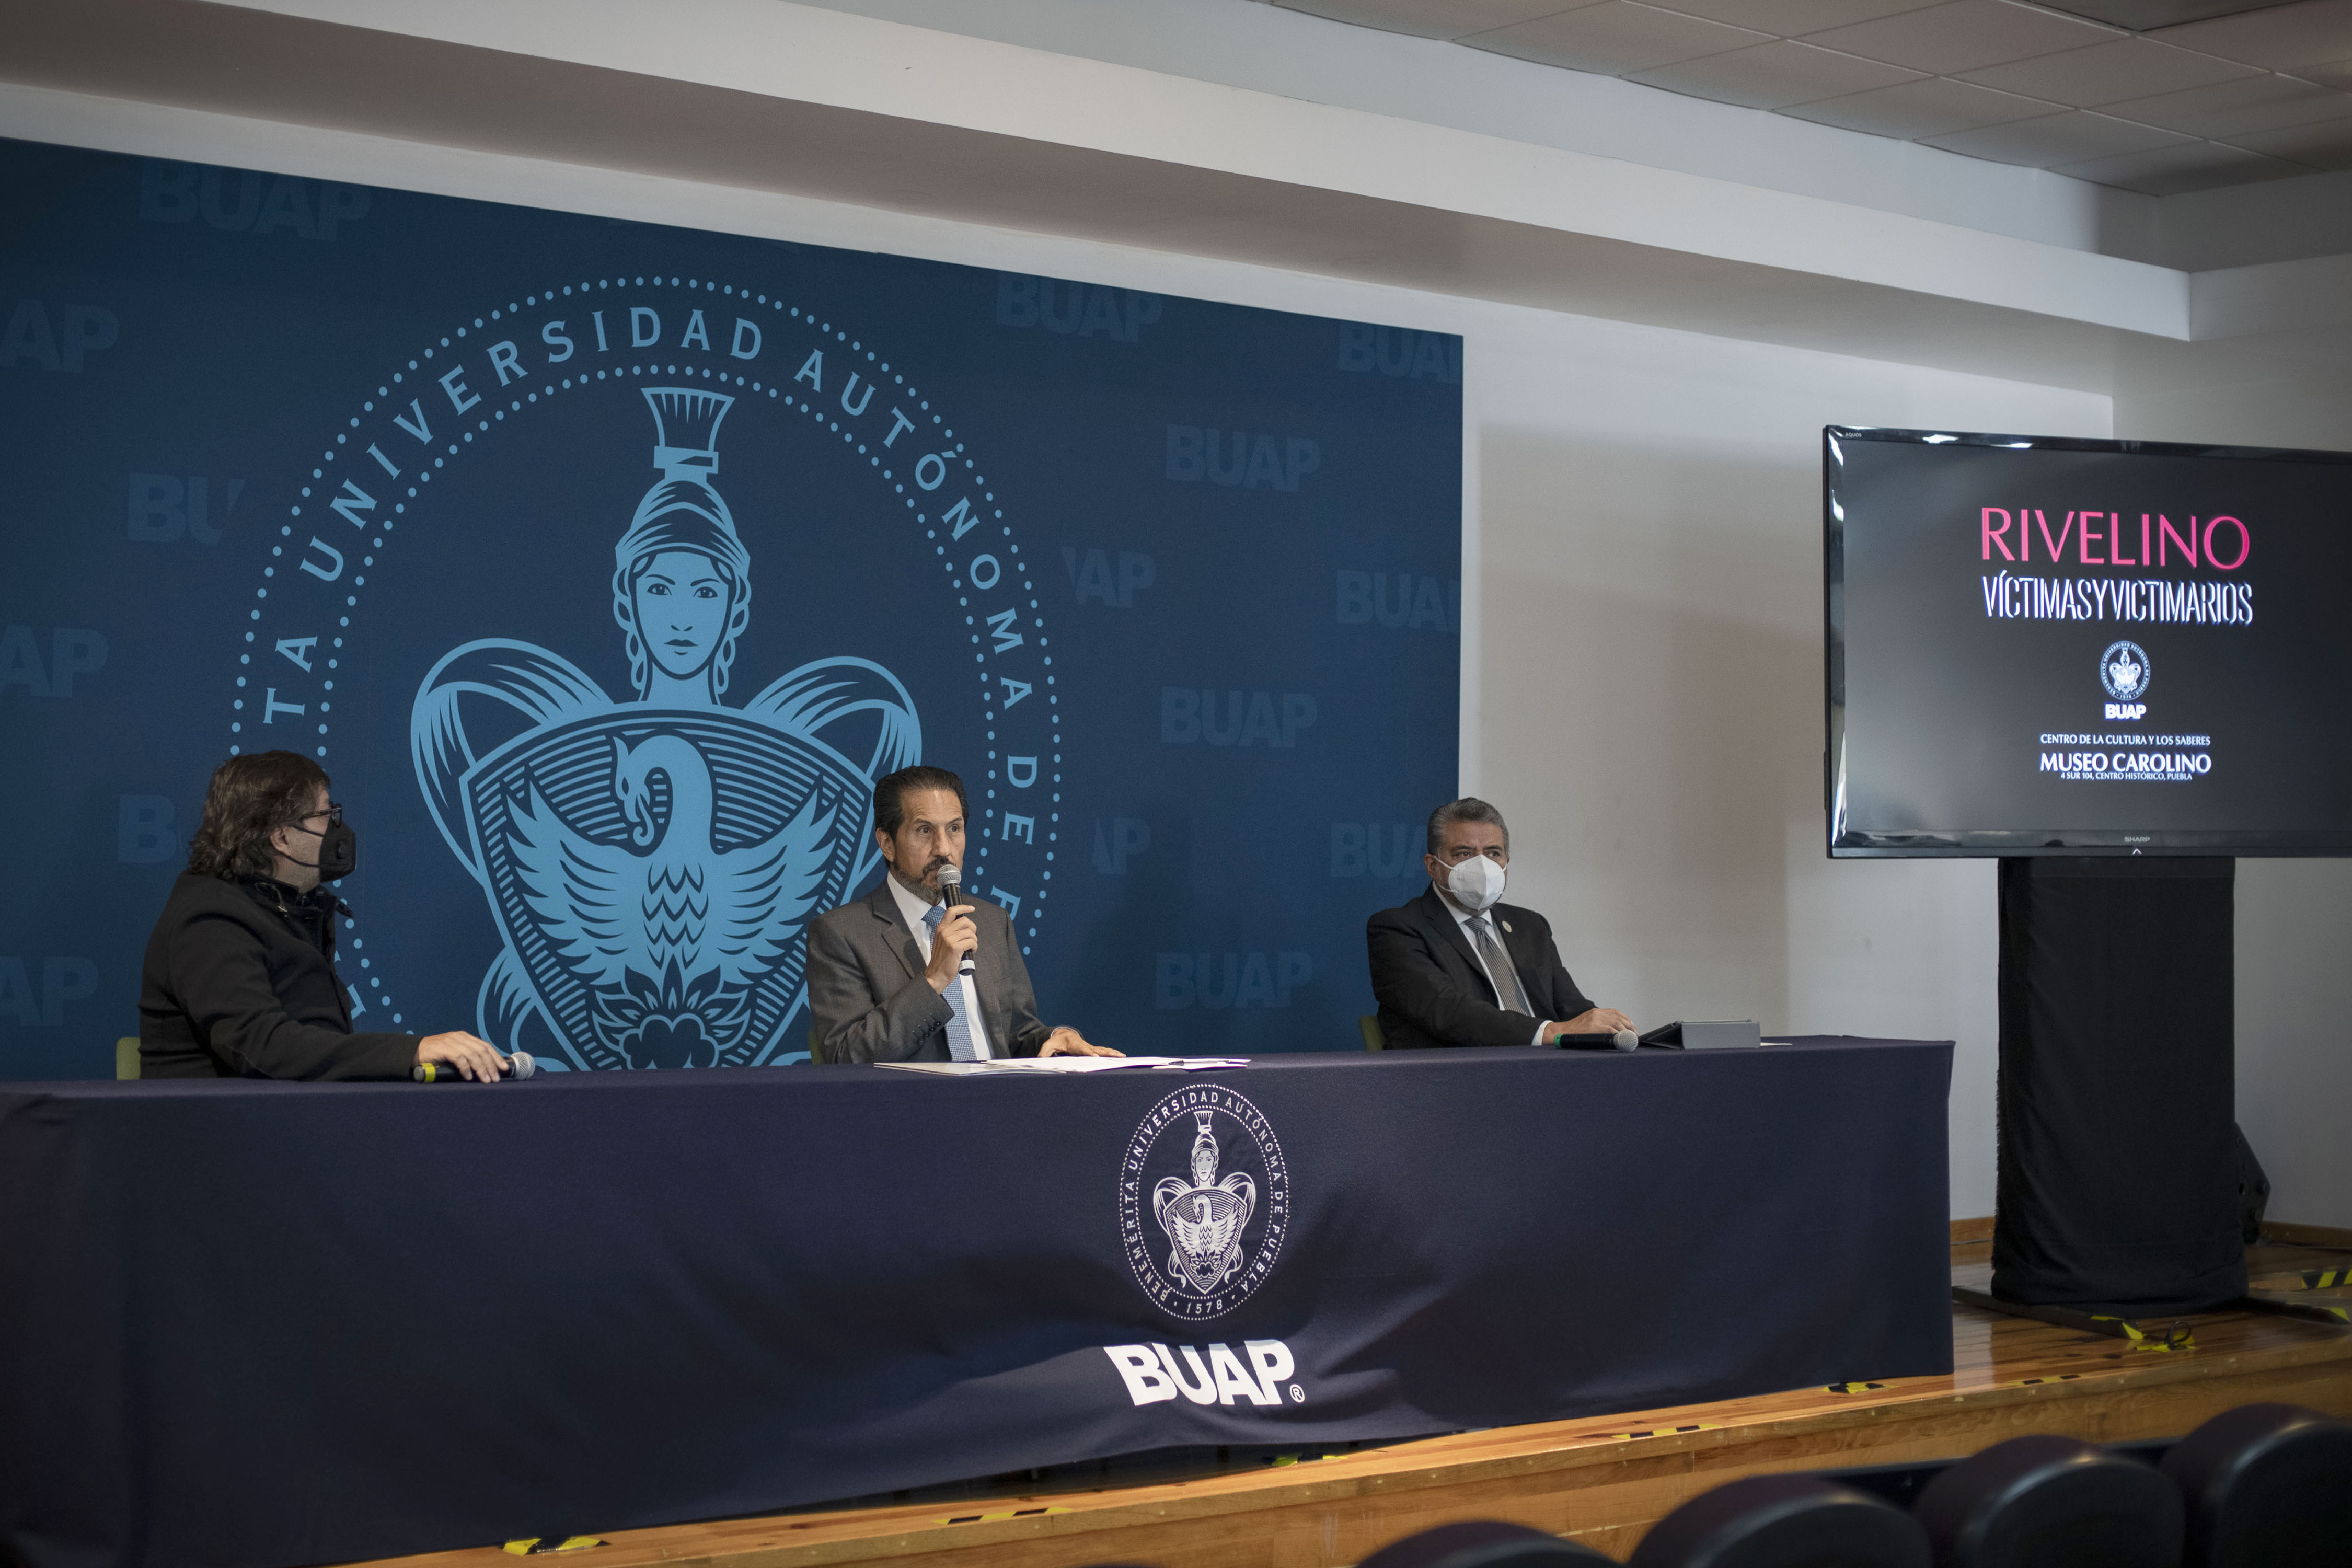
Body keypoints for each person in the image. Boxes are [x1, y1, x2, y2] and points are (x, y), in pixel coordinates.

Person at [138, 751, 509, 1081]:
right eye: (326, 815)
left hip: (288, 1123)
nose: (338, 829)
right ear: (281, 838)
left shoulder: (286, 906)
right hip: (217, 1139)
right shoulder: (210, 919)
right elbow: (264, 1047)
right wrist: (411, 1051)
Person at [807, 765, 1119, 1064]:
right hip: (912, 1113)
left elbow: (1017, 1035)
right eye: (924, 830)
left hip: (999, 1103)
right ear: (887, 844)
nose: (944, 848)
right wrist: (935, 979)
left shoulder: (992, 921)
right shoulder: (841, 933)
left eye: (954, 829)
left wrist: (1056, 1038)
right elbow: (848, 1057)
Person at [1366, 797, 1634, 1050]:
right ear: (1432, 866)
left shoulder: (1530, 925)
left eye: (1493, 853)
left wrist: (1608, 1028)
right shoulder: (1396, 929)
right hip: (1458, 1081)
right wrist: (1550, 1032)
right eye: (1463, 853)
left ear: (1506, 863)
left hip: (1549, 1072)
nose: (1482, 865)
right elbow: (1450, 1014)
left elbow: (1572, 1009)